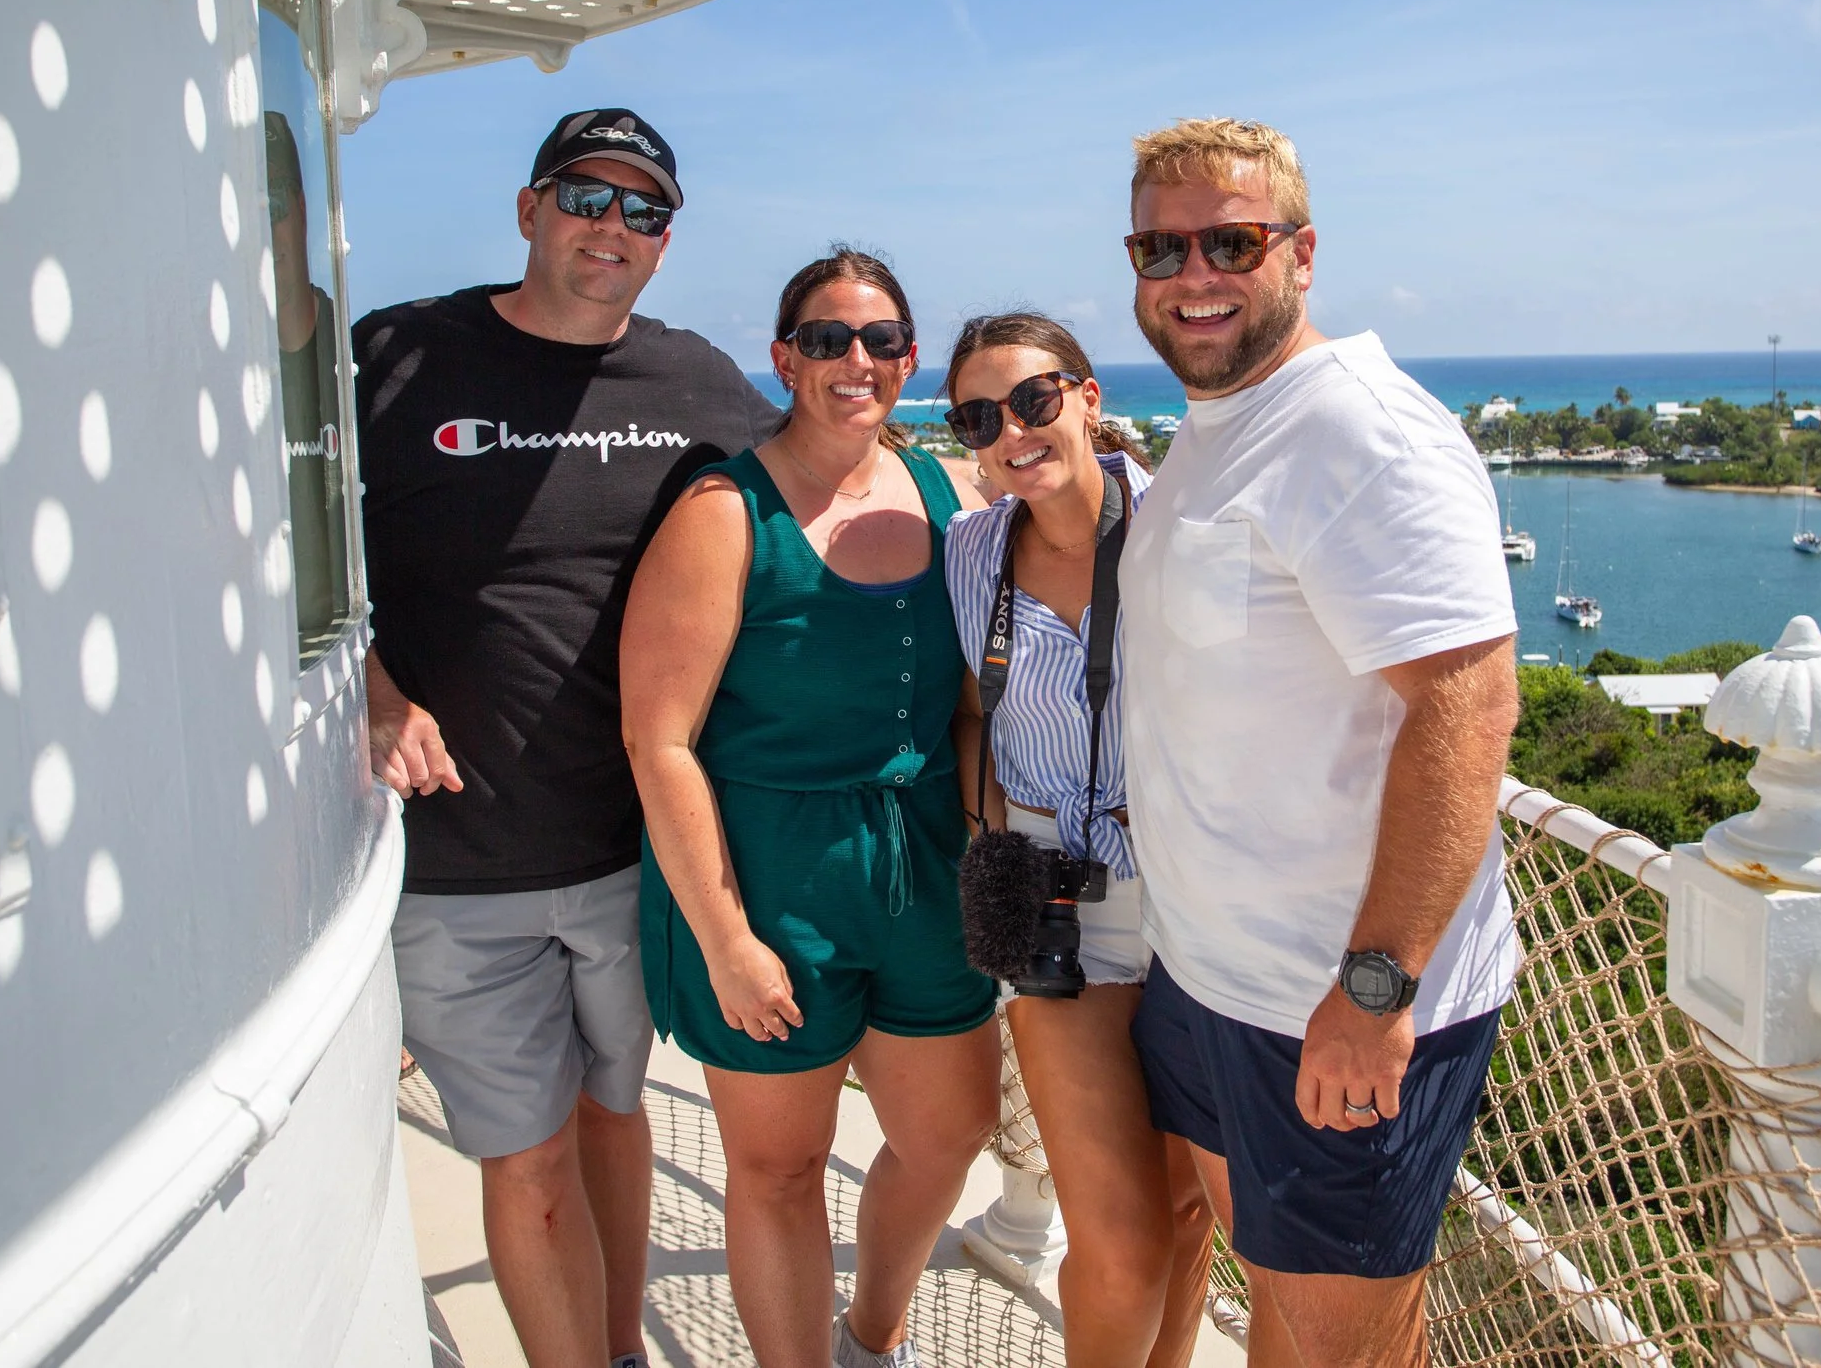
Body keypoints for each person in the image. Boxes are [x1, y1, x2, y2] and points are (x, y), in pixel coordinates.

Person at [355, 108, 780, 1368]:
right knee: (526, 1158)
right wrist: (375, 690)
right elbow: (276, 540)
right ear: (530, 208)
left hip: (624, 850)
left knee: (614, 1114)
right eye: (587, 197)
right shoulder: (401, 356)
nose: (613, 227)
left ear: (664, 241)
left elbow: (806, 501)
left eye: (643, 210)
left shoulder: (692, 379)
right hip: (456, 861)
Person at [1115, 119, 1523, 1368]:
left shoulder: (1359, 431)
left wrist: (1376, 986)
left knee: (1336, 1349)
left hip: (1332, 1002)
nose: (1195, 273)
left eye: (1230, 240)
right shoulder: (1219, 423)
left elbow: (1466, 703)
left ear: (1300, 253)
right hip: (1210, 980)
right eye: (1161, 245)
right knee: (1274, 1310)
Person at [621, 250, 999, 1368]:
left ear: (910, 359)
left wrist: (991, 834)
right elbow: (660, 740)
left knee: (948, 1132)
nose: (856, 360)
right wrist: (725, 937)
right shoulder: (722, 511)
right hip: (768, 872)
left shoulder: (950, 494)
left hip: (924, 867)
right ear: (783, 357)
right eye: (827, 338)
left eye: (881, 339)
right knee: (779, 1167)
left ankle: (868, 1339)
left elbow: (977, 703)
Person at [940, 313, 1216, 1368]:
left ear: (1089, 399)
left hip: (1203, 903)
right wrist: (989, 831)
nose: (1011, 428)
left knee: (1188, 1215)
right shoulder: (970, 553)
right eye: (978, 414)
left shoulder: (1187, 524)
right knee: (1121, 1243)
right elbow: (973, 710)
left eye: (1034, 399)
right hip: (1061, 909)